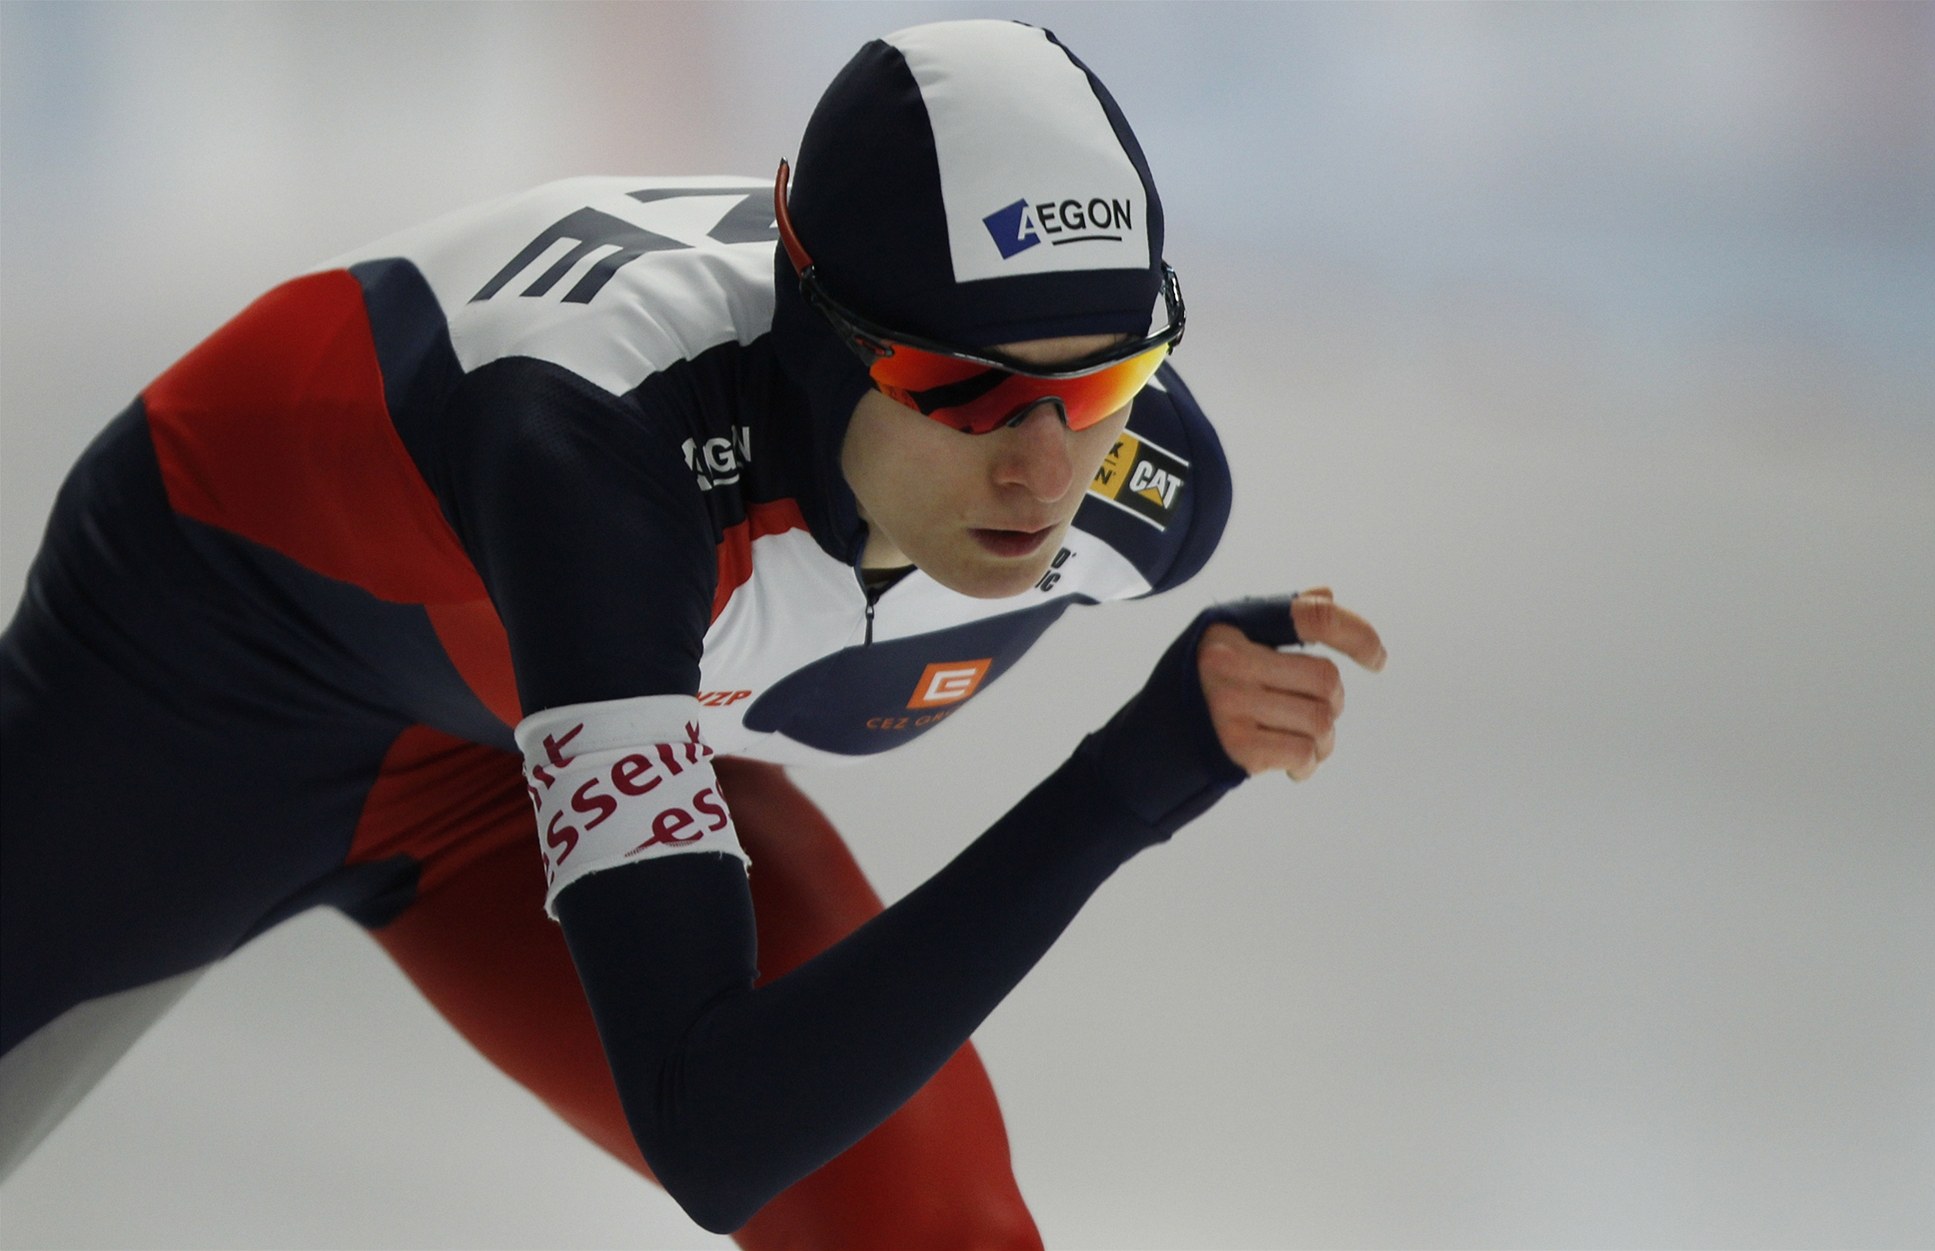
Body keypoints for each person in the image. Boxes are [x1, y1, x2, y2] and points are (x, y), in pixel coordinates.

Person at [0, 18, 1383, 1246]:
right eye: (959, 389)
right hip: (207, 678)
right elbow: (714, 1129)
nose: (1041, 470)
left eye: (1103, 382)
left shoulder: (1145, 494)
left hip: (536, 720)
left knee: (928, 1231)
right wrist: (1128, 784)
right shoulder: (592, 457)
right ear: (822, 327)